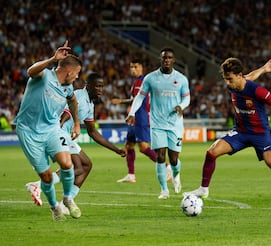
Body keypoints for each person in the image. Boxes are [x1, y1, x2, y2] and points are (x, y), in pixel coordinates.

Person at [183, 57, 271, 207]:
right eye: (225, 79)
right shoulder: (234, 84)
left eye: (230, 79)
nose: (227, 83)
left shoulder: (256, 90)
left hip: (260, 133)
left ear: (239, 75)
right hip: (241, 132)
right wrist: (263, 69)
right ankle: (204, 189)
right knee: (211, 152)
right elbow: (251, 75)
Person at [25, 72, 127, 210]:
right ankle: (39, 185)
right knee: (77, 167)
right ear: (88, 85)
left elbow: (93, 132)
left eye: (102, 87)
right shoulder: (79, 95)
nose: (100, 90)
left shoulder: (90, 105)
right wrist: (53, 136)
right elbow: (65, 114)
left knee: (86, 166)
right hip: (58, 132)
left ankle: (66, 201)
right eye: (97, 86)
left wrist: (116, 150)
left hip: (63, 134)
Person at [14, 41, 82, 221]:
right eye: (76, 74)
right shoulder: (44, 76)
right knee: (45, 175)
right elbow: (30, 71)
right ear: (69, 71)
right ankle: (54, 206)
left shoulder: (68, 88)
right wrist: (53, 58)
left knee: (67, 164)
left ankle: (67, 198)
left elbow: (73, 101)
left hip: (52, 128)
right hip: (28, 131)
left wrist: (76, 123)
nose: (77, 77)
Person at [126, 48, 190, 199]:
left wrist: (182, 106)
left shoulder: (181, 79)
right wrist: (131, 113)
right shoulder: (150, 78)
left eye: (169, 58)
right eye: (164, 58)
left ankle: (176, 174)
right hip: (157, 124)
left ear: (173, 60)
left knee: (173, 159)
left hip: (175, 124)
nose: (166, 60)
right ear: (160, 60)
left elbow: (187, 98)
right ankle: (163, 190)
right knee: (160, 156)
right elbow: (140, 97)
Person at [112, 58, 171, 183]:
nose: (133, 69)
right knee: (129, 145)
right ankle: (131, 175)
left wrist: (121, 101)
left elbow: (138, 99)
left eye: (135, 67)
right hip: (135, 117)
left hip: (141, 117)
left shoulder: (141, 81)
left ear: (141, 68)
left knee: (144, 148)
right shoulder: (137, 81)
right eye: (131, 67)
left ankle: (167, 168)